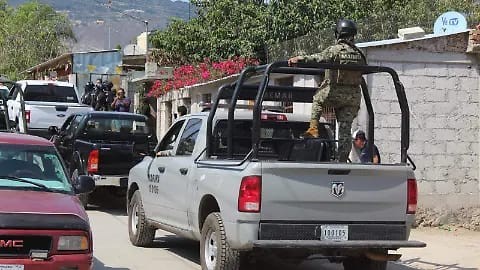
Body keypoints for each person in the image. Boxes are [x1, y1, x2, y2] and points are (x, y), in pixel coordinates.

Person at [288, 19, 367, 162]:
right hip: (353, 97)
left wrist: (300, 59)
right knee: (345, 129)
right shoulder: (360, 53)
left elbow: (319, 58)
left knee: (318, 98)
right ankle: (342, 161)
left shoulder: (336, 50)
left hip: (335, 92)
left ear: (338, 34)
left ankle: (313, 129)